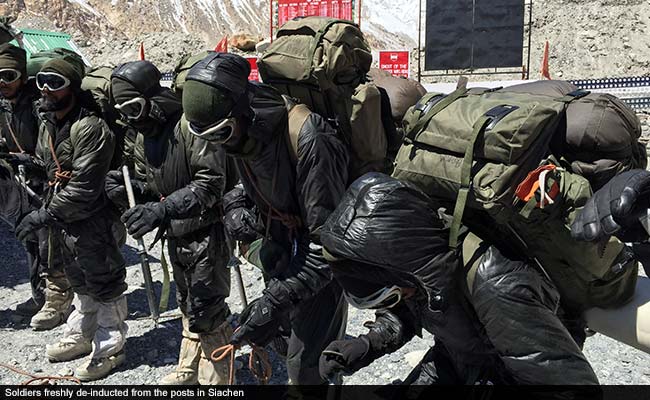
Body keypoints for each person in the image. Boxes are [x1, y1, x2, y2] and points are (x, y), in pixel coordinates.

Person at [318, 173, 600, 386]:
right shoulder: (417, 275)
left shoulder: (498, 287)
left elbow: (568, 385)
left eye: (390, 295)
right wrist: (367, 344)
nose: (397, 300)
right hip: (459, 358)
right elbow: (408, 309)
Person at [183, 52, 349, 384]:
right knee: (285, 345)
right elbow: (242, 186)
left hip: (317, 268)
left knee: (310, 369)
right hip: (281, 254)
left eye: (221, 133)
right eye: (208, 137)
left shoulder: (308, 137)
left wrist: (272, 302)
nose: (219, 145)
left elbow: (329, 247)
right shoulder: (242, 135)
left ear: (244, 110)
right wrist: (235, 211)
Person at [108, 60, 233, 385]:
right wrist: (129, 192)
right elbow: (152, 187)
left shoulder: (190, 128)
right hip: (176, 234)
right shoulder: (144, 137)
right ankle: (190, 367)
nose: (132, 118)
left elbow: (210, 184)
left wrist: (161, 211)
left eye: (135, 107)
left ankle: (220, 379)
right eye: (125, 111)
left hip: (206, 232)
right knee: (186, 301)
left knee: (208, 306)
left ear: (153, 98)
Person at [15, 54, 128, 381]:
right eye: (42, 82)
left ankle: (111, 347)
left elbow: (85, 187)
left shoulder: (90, 127)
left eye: (56, 83)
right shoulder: (49, 122)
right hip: (63, 217)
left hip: (92, 218)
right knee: (77, 276)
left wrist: (42, 216)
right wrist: (22, 160)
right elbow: (47, 163)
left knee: (104, 279)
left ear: (73, 88)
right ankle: (83, 331)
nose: (46, 90)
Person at [0, 43, 70, 328]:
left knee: (49, 241)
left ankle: (58, 299)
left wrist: (24, 158)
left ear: (22, 76)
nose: (2, 83)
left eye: (7, 76)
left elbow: (49, 152)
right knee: (30, 238)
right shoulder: (5, 106)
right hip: (23, 182)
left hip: (46, 182)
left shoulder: (39, 107)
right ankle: (39, 295)